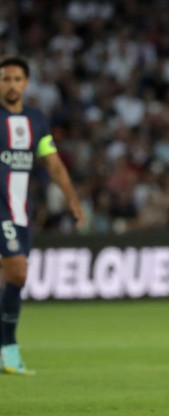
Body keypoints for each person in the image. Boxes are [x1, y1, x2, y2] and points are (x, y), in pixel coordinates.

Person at [0, 56, 85, 375]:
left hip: (21, 210)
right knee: (18, 272)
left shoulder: (36, 120)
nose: (11, 84)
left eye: (16, 79)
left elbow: (53, 162)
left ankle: (7, 352)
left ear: (26, 83)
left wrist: (73, 200)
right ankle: (8, 349)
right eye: (5, 79)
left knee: (10, 280)